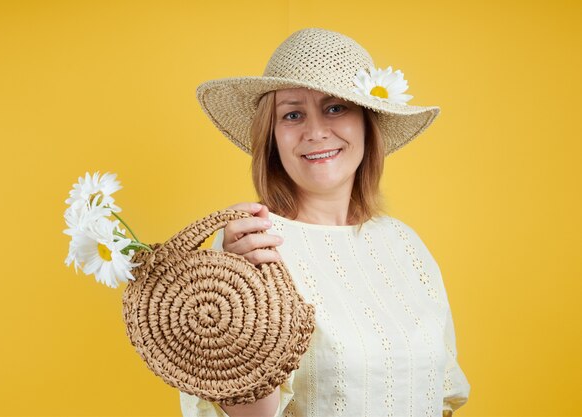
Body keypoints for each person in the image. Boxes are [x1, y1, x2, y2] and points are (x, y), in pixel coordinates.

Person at [180, 28, 471, 417]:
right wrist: (238, 295)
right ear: (273, 138)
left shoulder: (405, 245)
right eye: (293, 114)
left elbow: (441, 396)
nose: (315, 132)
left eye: (336, 108)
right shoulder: (253, 246)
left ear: (368, 124)